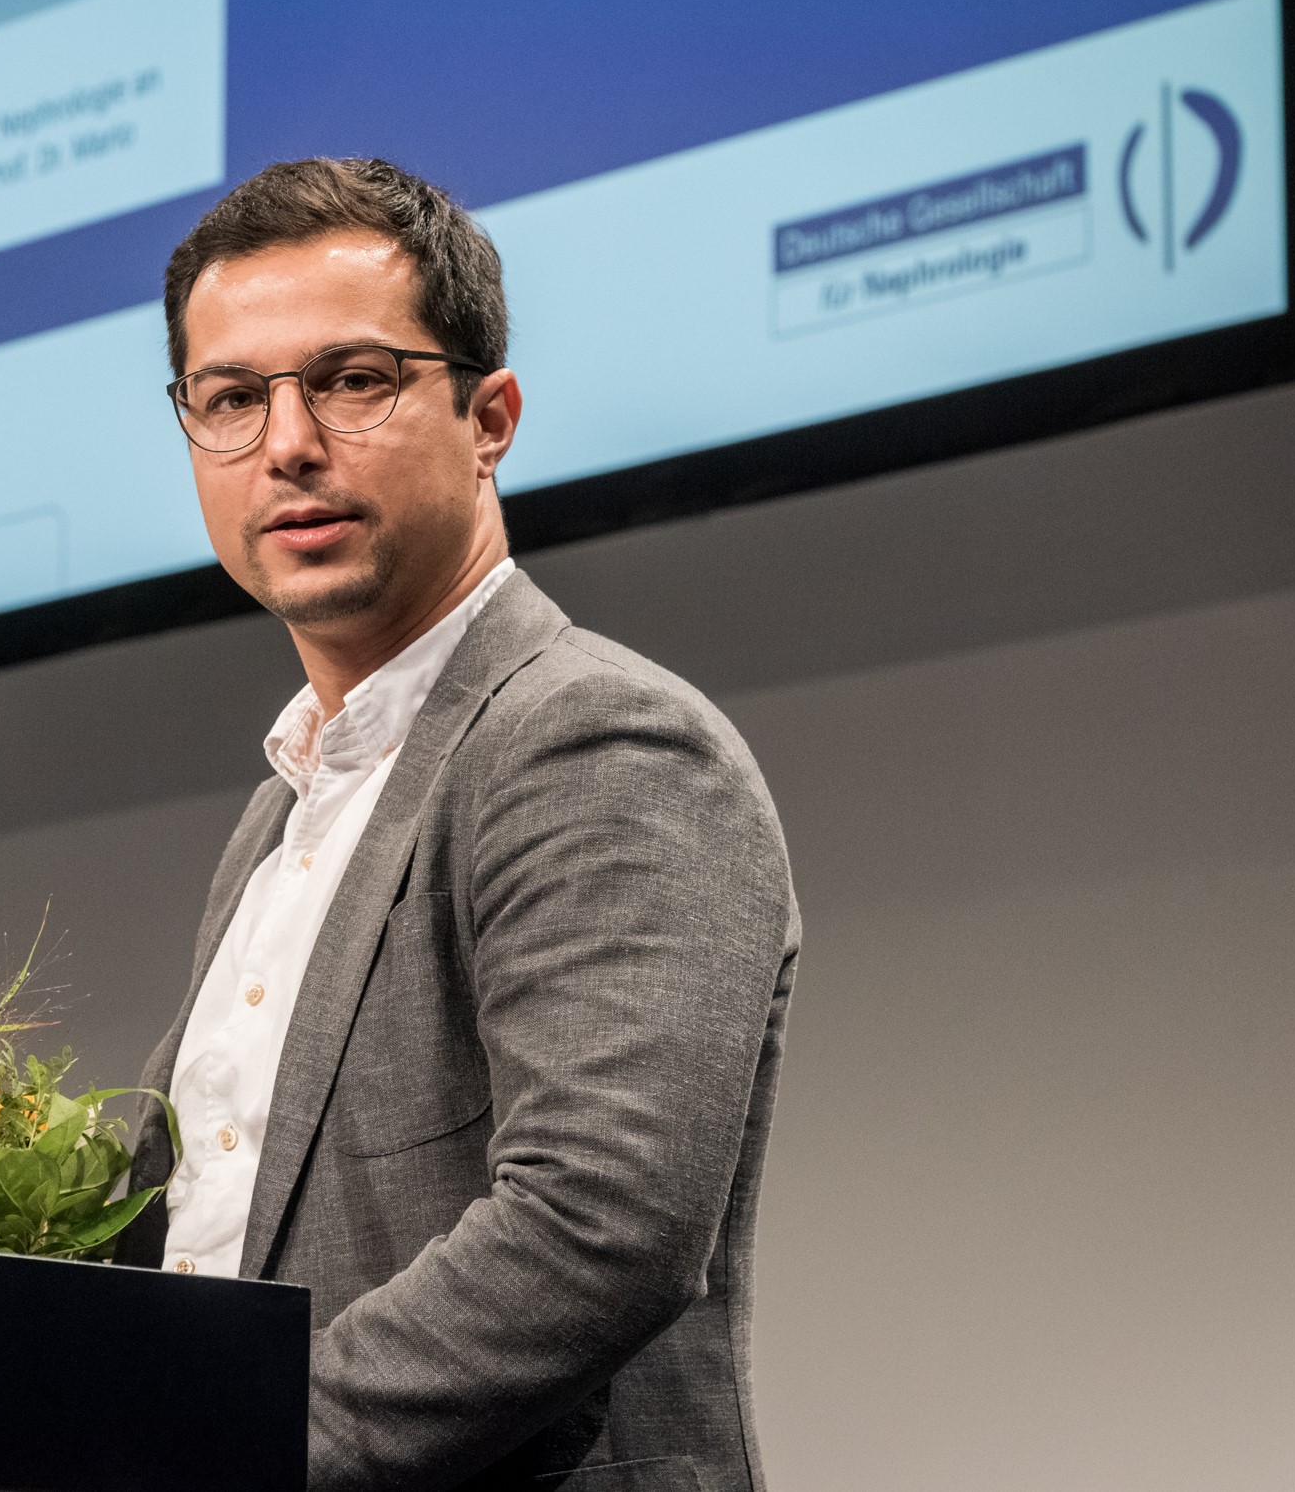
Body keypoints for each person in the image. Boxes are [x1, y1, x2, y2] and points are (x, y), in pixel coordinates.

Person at [119, 157, 801, 1491]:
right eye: (232, 399)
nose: (287, 444)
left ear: (490, 419)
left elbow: (597, 1227)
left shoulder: (596, 738)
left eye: (351, 381)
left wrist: (217, 1453)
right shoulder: (281, 812)